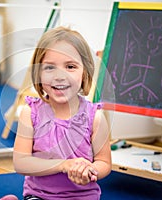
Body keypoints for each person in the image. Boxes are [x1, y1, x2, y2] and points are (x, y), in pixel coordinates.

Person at [12, 26, 112, 200]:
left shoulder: (95, 117)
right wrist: (63, 165)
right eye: (50, 68)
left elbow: (104, 163)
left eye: (70, 66)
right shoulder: (30, 113)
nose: (59, 76)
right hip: (39, 196)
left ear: (84, 73)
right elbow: (21, 163)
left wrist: (89, 171)